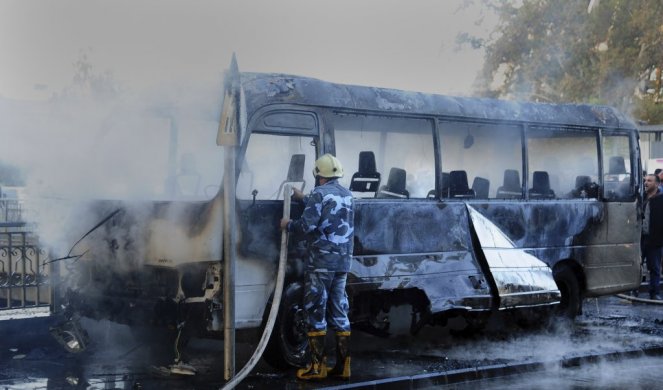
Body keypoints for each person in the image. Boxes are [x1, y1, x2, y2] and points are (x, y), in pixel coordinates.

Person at [280, 153, 354, 380]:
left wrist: (288, 224)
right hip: (342, 263)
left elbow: (307, 225)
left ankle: (317, 367)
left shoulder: (320, 194)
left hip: (321, 263)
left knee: (315, 311)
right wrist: (304, 198)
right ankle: (343, 367)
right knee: (340, 311)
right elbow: (329, 212)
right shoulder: (348, 195)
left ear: (318, 175)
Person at [641, 174, 663, 300]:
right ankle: (633, 290)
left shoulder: (661, 199)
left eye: (649, 181)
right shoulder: (640, 197)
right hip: (640, 238)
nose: (646, 183)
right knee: (637, 265)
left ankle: (654, 292)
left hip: (655, 238)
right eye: (645, 180)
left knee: (654, 267)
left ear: (657, 184)